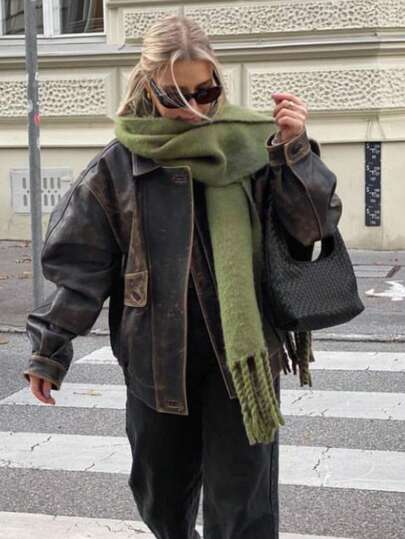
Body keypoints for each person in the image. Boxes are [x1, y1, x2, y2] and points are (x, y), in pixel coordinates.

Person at [23, 15, 342, 539]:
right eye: (175, 96)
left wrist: (295, 152)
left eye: (206, 91)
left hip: (242, 359)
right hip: (156, 359)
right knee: (161, 501)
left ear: (218, 81)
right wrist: (49, 348)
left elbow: (313, 226)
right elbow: (79, 267)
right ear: (147, 87)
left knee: (242, 511)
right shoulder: (118, 167)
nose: (195, 108)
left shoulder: (258, 146)